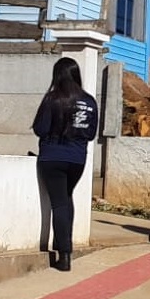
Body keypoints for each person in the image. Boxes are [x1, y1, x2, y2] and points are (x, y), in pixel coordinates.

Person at [31, 57, 99, 272]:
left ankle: (64, 254)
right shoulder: (90, 101)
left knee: (59, 203)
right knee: (66, 199)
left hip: (53, 156)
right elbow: (90, 134)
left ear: (57, 75)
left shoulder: (53, 99)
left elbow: (40, 129)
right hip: (78, 159)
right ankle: (65, 248)